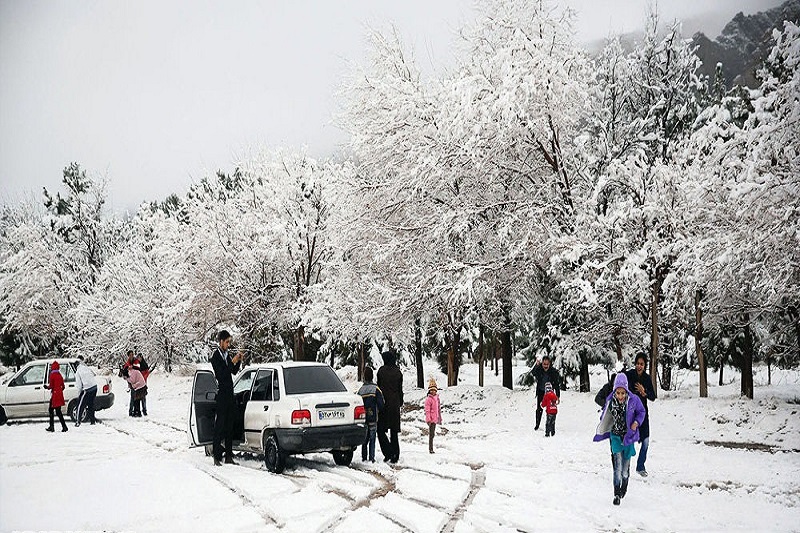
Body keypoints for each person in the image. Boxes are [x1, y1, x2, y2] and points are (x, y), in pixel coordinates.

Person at [593, 373, 645, 505]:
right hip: (615, 437)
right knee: (617, 466)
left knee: (625, 470)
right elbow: (605, 414)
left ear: (626, 390)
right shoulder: (610, 401)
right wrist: (603, 424)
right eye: (618, 393)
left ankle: (624, 486)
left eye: (623, 393)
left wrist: (636, 423)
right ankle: (616, 493)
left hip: (628, 437)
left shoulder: (634, 400)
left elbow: (641, 412)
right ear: (615, 391)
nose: (620, 396)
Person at [210, 330, 243, 466]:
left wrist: (238, 361)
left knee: (230, 425)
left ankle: (229, 454)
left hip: (230, 393)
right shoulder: (216, 356)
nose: (228, 344)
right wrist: (232, 362)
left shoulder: (226, 355)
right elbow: (222, 373)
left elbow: (233, 371)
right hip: (222, 394)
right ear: (221, 341)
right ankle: (217, 456)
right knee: (220, 425)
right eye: (227, 342)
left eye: (230, 342)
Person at [626, 353, 657, 477]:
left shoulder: (647, 378)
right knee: (629, 441)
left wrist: (644, 392)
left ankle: (640, 466)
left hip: (643, 414)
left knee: (646, 441)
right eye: (638, 363)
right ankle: (625, 465)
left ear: (645, 366)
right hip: (631, 414)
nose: (639, 366)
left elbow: (653, 397)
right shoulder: (629, 375)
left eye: (642, 364)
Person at [377, 351, 403, 464]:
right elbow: (400, 389)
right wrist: (400, 401)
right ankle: (395, 454)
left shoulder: (381, 371)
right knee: (394, 431)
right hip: (395, 404)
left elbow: (378, 387)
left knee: (380, 430)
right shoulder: (398, 372)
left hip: (384, 404)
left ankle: (388, 451)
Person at [356, 366, 384, 463]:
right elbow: (381, 403)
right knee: (372, 439)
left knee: (365, 439)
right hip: (373, 417)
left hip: (363, 418)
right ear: (372, 376)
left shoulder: (360, 390)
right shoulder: (376, 389)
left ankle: (364, 457)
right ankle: (371, 458)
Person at [531, 355, 561, 431]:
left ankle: (551, 425)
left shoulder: (553, 372)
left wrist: (558, 396)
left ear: (550, 364)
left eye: (547, 364)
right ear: (542, 364)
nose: (546, 366)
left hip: (550, 394)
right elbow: (533, 373)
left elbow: (557, 384)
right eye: (544, 364)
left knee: (551, 410)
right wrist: (536, 365)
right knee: (539, 408)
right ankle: (537, 425)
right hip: (541, 391)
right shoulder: (539, 369)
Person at [45, 361, 68, 432]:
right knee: (58, 412)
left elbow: (51, 386)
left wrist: (47, 387)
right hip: (59, 395)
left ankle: (52, 427)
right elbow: (63, 386)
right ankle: (64, 427)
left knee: (51, 410)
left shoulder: (52, 375)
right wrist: (59, 390)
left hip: (54, 395)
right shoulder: (59, 375)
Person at [74, 356, 98, 426]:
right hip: (94, 387)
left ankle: (78, 421)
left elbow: (79, 385)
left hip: (87, 389)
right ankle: (92, 421)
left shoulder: (78, 372)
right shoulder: (86, 368)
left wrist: (79, 394)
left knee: (80, 405)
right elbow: (94, 374)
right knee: (91, 404)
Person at [424, 378, 442, 453]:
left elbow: (438, 409)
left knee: (433, 434)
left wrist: (439, 419)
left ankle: (431, 448)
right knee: (431, 435)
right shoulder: (429, 399)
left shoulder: (437, 398)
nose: (433, 391)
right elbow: (427, 410)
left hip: (435, 419)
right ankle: (430, 449)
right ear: (429, 391)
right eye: (431, 390)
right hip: (431, 419)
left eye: (434, 390)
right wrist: (428, 420)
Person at [123, 350, 140, 416]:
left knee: (137, 397)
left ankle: (136, 411)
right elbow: (125, 372)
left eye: (132, 354)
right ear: (128, 356)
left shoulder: (136, 361)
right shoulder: (127, 363)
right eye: (130, 355)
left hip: (138, 381)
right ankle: (131, 411)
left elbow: (138, 368)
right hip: (132, 382)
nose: (131, 356)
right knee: (133, 397)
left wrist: (132, 367)